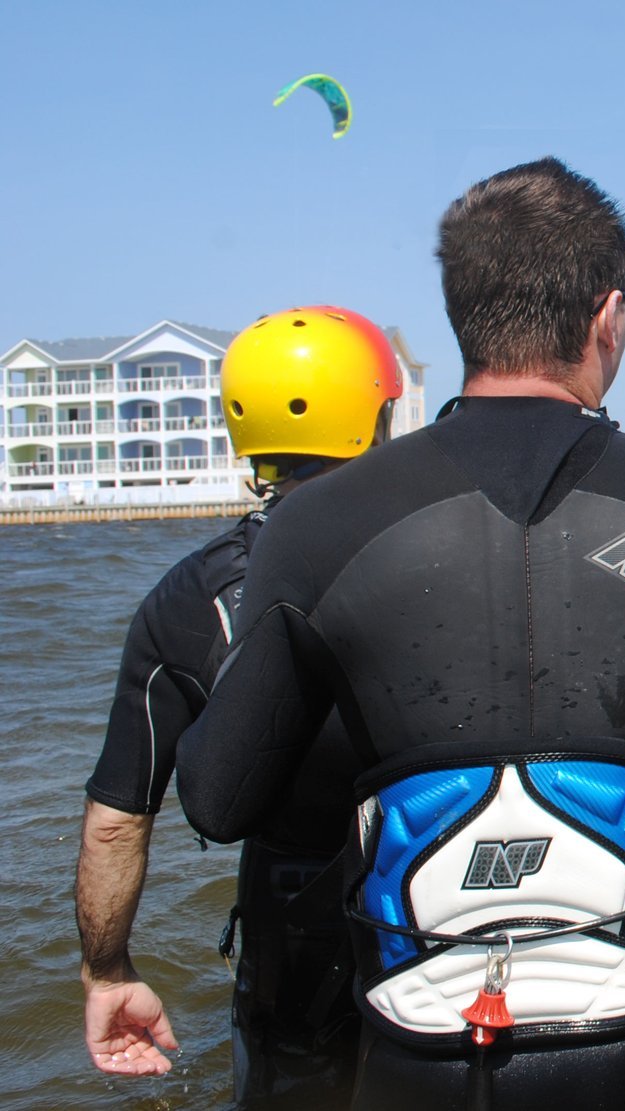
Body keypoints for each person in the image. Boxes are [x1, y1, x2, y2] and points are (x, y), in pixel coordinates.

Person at [178, 157, 625, 1110]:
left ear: (464, 315)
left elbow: (219, 797)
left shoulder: (317, 524)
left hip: (422, 1042)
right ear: (607, 313)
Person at [75, 305, 404, 1106]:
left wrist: (105, 971)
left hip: (288, 921)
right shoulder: (437, 561)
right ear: (379, 417)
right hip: (431, 902)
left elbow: (117, 817)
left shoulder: (187, 597)